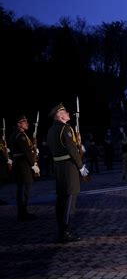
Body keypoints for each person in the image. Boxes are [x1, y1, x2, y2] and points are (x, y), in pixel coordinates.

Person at [47, 103, 89, 243]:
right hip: (69, 168)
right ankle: (65, 232)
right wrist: (81, 167)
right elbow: (71, 150)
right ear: (60, 116)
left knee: (61, 201)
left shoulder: (51, 130)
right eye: (65, 111)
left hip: (59, 168)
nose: (68, 113)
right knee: (70, 201)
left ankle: (62, 229)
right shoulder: (65, 129)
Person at [9, 115, 39, 221]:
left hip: (21, 164)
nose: (27, 123)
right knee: (24, 188)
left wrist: (34, 150)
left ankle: (23, 212)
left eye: (26, 121)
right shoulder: (20, 135)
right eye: (24, 121)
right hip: (23, 165)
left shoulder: (19, 135)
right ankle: (22, 213)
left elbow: (27, 149)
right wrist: (33, 164)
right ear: (19, 124)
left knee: (23, 188)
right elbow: (25, 151)